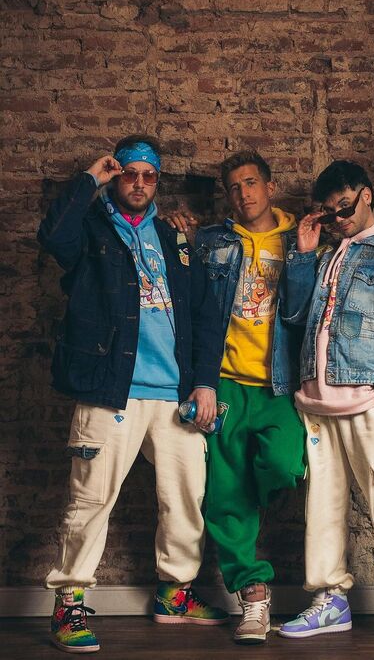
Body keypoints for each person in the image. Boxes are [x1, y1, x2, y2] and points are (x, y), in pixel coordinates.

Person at [38, 136, 228, 654]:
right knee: (91, 500)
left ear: (157, 181)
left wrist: (205, 381)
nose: (140, 183)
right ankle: (69, 603)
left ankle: (175, 593)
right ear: (116, 175)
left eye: (149, 175)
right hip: (110, 389)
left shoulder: (174, 238)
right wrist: (89, 179)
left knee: (185, 498)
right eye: (129, 173)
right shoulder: (91, 229)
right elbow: (52, 237)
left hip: (176, 395)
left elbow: (205, 315)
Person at [278, 161, 374, 653]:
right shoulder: (326, 255)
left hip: (369, 402)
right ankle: (330, 600)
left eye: (345, 207)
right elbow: (294, 317)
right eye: (330, 212)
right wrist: (304, 256)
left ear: (367, 195)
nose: (339, 219)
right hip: (317, 404)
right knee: (322, 511)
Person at [193, 151, 306, 644]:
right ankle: (252, 595)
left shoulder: (300, 240)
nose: (244, 194)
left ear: (270, 186)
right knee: (222, 495)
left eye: (252, 183)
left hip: (279, 384)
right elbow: (197, 313)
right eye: (234, 188)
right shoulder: (213, 242)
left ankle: (248, 499)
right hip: (226, 383)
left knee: (284, 463)